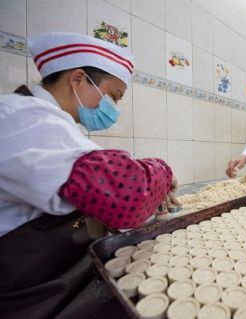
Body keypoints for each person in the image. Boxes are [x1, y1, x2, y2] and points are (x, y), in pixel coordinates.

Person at [0, 32, 175, 318]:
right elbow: (125, 196)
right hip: (22, 286)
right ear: (79, 79)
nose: (113, 108)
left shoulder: (53, 122)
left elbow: (96, 175)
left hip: (46, 269)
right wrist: (163, 171)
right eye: (113, 96)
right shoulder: (22, 115)